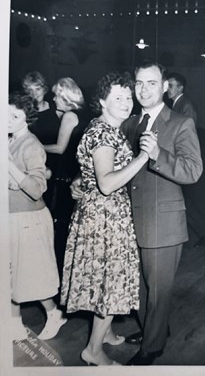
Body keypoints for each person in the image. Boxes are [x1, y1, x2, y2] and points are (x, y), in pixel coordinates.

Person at [71, 61, 203, 365]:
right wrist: (82, 181)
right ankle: (154, 329)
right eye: (139, 84)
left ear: (165, 86)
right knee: (142, 287)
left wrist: (158, 154)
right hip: (128, 220)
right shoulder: (129, 122)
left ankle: (152, 347)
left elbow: (193, 171)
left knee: (158, 289)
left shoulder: (180, 122)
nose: (143, 90)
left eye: (151, 83)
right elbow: (109, 165)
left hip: (162, 219)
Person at [60, 72, 154, 366]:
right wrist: (142, 157)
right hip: (106, 218)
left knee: (104, 280)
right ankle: (93, 351)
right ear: (101, 101)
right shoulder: (103, 133)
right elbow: (107, 183)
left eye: (128, 97)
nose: (126, 103)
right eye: (118, 98)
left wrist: (79, 181)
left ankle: (108, 332)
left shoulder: (102, 127)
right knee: (110, 283)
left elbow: (92, 170)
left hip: (100, 213)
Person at [8, 91, 67, 341]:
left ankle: (55, 314)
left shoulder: (30, 144)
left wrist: (9, 168)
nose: (8, 119)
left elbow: (36, 188)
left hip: (28, 220)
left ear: (27, 118)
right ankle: (14, 325)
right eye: (6, 113)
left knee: (34, 276)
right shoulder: (9, 139)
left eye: (15, 116)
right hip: (11, 217)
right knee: (10, 276)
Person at [43, 77, 90, 276]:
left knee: (61, 226)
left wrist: (33, 144)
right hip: (80, 172)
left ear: (65, 97)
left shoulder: (69, 116)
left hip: (66, 175)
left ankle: (59, 274)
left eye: (56, 95)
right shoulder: (86, 113)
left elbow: (60, 148)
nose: (53, 99)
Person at [165, 71, 205, 247]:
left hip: (182, 160)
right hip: (175, 159)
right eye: (167, 85)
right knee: (183, 199)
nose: (167, 89)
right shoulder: (175, 104)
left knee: (185, 199)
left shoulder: (186, 106)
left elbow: (186, 137)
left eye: (170, 85)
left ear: (180, 87)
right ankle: (203, 231)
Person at [22, 71, 61, 211]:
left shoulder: (56, 108)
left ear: (44, 88)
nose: (34, 94)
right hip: (33, 162)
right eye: (30, 90)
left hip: (54, 161)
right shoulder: (25, 113)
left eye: (37, 89)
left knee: (50, 204)